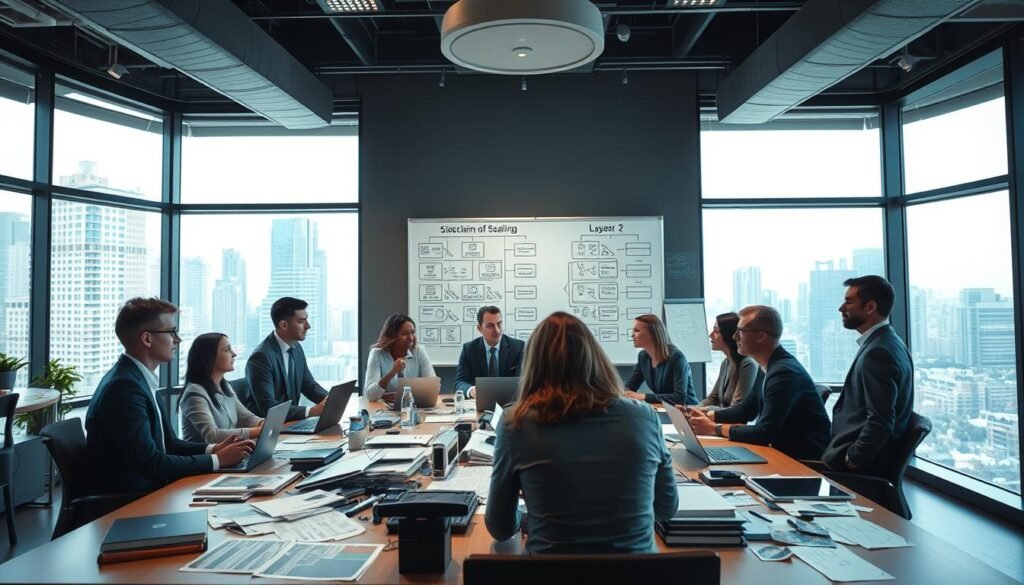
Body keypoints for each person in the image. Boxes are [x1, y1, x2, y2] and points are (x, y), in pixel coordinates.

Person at [486, 312, 678, 554]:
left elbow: (500, 528)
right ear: (594, 356)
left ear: (534, 364)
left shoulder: (515, 423)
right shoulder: (645, 417)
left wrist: (533, 513)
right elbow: (666, 508)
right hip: (636, 570)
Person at [86, 298, 254, 494]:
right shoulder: (124, 388)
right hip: (134, 501)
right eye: (171, 332)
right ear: (147, 339)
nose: (177, 339)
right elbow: (151, 463)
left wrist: (213, 450)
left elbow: (170, 444)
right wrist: (217, 460)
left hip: (154, 491)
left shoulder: (139, 380)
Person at [683, 305, 830, 461]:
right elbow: (746, 410)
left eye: (740, 331)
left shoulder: (784, 372)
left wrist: (714, 428)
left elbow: (763, 433)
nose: (734, 337)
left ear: (761, 336)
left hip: (800, 462)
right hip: (780, 453)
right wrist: (706, 415)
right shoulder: (767, 366)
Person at [823, 275, 914, 473]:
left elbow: (881, 421)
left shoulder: (877, 352)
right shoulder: (889, 342)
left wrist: (852, 459)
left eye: (848, 302)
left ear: (870, 307)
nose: (841, 308)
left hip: (859, 468)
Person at [246, 297, 329, 422]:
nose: (308, 326)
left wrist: (329, 400)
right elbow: (269, 407)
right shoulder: (261, 357)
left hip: (291, 423)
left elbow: (308, 385)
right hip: (268, 428)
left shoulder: (296, 347)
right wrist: (310, 411)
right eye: (301, 321)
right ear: (284, 325)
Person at [180, 333, 264, 443]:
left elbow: (247, 418)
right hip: (207, 454)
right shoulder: (194, 393)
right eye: (227, 350)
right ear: (210, 357)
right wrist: (258, 431)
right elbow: (212, 436)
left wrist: (266, 424)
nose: (234, 354)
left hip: (233, 451)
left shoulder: (225, 387)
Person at [697, 312, 763, 423]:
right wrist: (693, 409)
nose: (710, 335)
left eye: (716, 331)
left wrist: (704, 410)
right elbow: (713, 398)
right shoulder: (726, 363)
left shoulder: (748, 364)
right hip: (720, 422)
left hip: (734, 427)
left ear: (728, 334)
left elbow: (736, 408)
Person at [622, 314, 697, 406]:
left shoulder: (676, 357)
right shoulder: (643, 356)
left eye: (637, 330)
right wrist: (625, 393)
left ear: (652, 334)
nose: (632, 335)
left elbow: (680, 397)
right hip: (664, 408)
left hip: (688, 410)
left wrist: (644, 396)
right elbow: (631, 385)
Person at [454, 305, 526, 398]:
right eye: (490, 326)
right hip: (479, 402)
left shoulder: (518, 347)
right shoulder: (469, 349)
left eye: (499, 324)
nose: (497, 330)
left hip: (509, 402)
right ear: (480, 329)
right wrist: (472, 391)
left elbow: (522, 381)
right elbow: (459, 382)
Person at [364, 314, 436, 402]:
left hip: (413, 405)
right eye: (404, 334)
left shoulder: (419, 351)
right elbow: (370, 395)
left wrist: (403, 396)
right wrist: (392, 372)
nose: (411, 338)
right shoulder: (377, 354)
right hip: (384, 407)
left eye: (412, 332)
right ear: (392, 336)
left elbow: (433, 387)